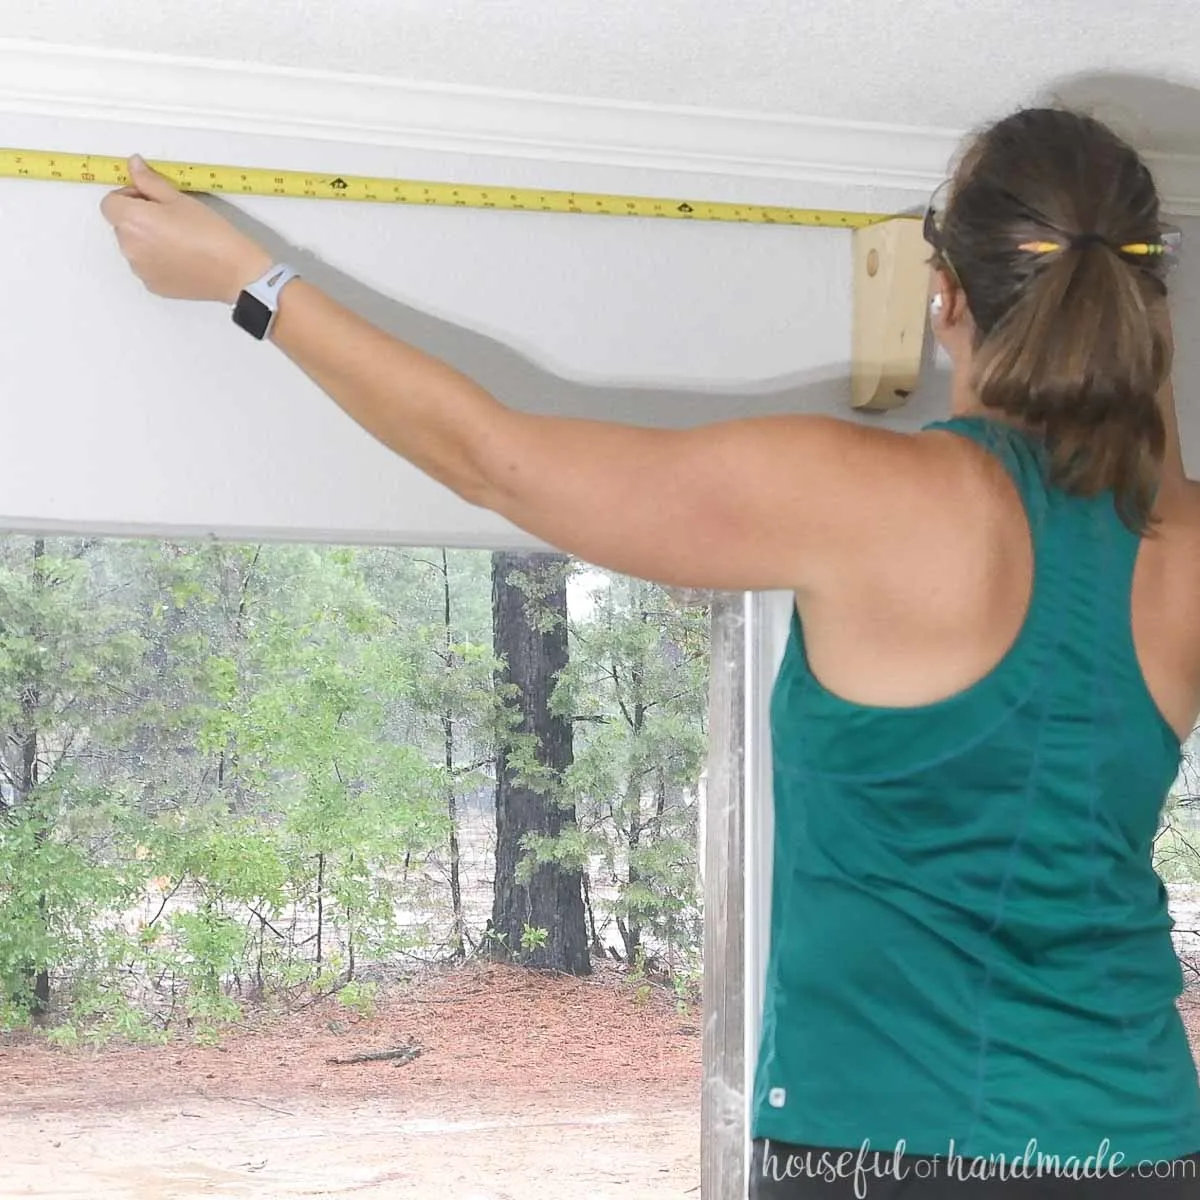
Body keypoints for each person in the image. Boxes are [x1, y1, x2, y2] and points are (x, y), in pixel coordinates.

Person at [100, 105, 1200, 1196]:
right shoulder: (1179, 545)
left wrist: (251, 281)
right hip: (1141, 1142)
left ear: (943, 295)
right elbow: (1134, 437)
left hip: (895, 1149)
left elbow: (499, 462)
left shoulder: (874, 499)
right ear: (1142, 302)